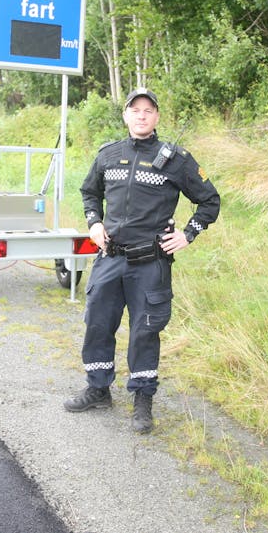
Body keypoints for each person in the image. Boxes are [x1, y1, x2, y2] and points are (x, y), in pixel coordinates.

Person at [63, 88, 220, 433]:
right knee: (98, 323)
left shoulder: (177, 159)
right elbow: (90, 192)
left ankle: (142, 399)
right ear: (126, 115)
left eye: (148, 110)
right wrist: (94, 223)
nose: (142, 116)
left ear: (157, 116)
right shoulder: (108, 154)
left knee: (145, 331)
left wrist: (188, 234)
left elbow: (210, 200)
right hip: (109, 258)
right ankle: (98, 388)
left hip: (151, 264)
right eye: (135, 110)